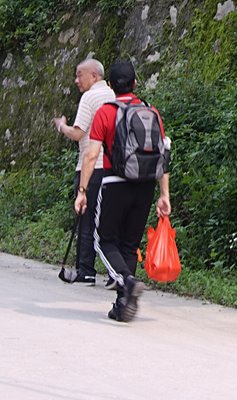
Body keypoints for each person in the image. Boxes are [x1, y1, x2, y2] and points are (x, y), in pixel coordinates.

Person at [74, 59, 171, 322]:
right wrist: (164, 195)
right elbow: (163, 154)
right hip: (145, 185)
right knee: (129, 244)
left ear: (110, 86)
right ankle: (122, 304)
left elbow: (91, 155)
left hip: (115, 183)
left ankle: (126, 281)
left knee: (104, 241)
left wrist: (82, 191)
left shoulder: (105, 112)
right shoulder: (151, 111)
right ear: (135, 83)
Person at [53, 56, 114, 283]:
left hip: (91, 166)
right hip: (113, 168)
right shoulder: (114, 95)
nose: (76, 80)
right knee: (108, 220)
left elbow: (78, 134)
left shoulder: (90, 97)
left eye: (80, 75)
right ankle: (114, 273)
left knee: (86, 217)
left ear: (94, 76)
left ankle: (86, 270)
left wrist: (62, 126)